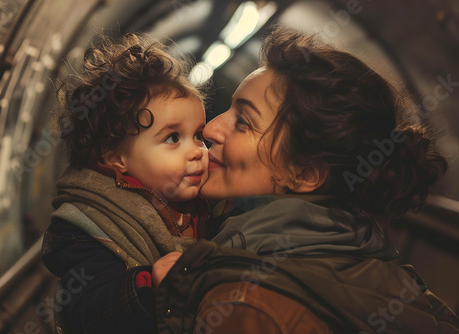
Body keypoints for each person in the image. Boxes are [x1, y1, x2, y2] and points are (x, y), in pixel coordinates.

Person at [155, 26, 459, 333]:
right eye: (229, 110)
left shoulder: (248, 304)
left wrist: (171, 302)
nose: (211, 129)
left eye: (244, 122)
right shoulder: (388, 278)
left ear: (305, 174)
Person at [42, 33, 208, 333]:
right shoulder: (86, 227)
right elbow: (85, 312)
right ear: (115, 157)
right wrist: (147, 286)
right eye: (173, 138)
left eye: (199, 135)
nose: (197, 150)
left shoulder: (210, 202)